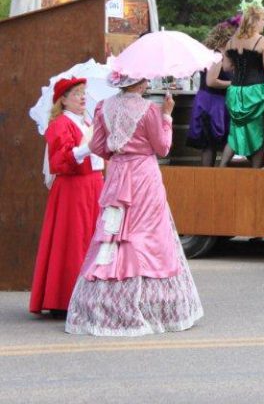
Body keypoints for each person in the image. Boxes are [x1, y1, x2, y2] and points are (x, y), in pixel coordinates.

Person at [65, 73, 203, 336]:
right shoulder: (149, 109)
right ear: (139, 83)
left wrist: (118, 154)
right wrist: (167, 115)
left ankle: (106, 299)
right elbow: (162, 148)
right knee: (148, 235)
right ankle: (151, 303)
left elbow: (97, 145)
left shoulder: (103, 106)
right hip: (143, 178)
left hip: (117, 176)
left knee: (114, 235)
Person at [29, 78, 105, 318]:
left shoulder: (88, 122)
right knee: (72, 241)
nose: (82, 97)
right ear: (63, 99)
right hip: (74, 188)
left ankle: (90, 295)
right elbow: (59, 161)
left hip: (93, 184)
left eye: (83, 93)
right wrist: (88, 147)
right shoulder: (60, 124)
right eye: (76, 94)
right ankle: (63, 298)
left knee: (92, 239)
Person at [220, 0, 264, 168]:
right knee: (258, 131)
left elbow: (227, 67)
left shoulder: (231, 41)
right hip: (255, 92)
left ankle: (221, 167)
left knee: (235, 131)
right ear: (256, 20)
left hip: (236, 91)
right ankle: (255, 173)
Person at [186, 17, 237, 166]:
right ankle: (208, 177)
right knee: (209, 143)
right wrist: (233, 83)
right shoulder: (218, 56)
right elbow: (211, 81)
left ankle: (210, 176)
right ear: (226, 38)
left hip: (210, 100)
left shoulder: (215, 54)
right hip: (211, 103)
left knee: (211, 144)